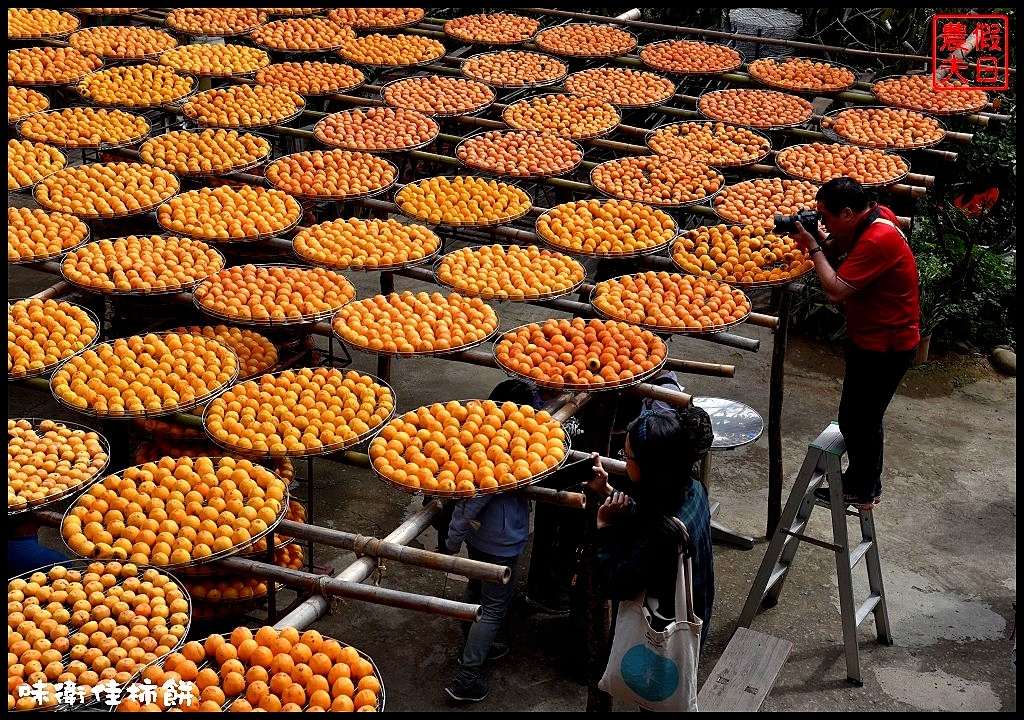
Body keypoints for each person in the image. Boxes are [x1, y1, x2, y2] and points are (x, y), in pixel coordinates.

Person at [790, 176, 920, 510]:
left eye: (827, 217)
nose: (823, 223)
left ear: (848, 213)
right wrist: (818, 238)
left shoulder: (878, 239)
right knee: (856, 416)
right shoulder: (876, 217)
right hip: (874, 337)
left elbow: (835, 291)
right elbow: (841, 250)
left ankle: (863, 488)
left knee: (861, 420)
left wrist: (815, 248)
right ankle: (865, 482)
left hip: (886, 345)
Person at [586, 405, 716, 656]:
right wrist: (608, 492)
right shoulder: (692, 488)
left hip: (662, 636)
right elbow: (655, 516)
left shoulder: (663, 535)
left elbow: (615, 584)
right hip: (695, 613)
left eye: (628, 455)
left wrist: (605, 528)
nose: (623, 460)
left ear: (650, 465)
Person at [442, 380, 534, 704]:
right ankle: (466, 677)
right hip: (500, 541)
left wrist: (458, 537)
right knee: (493, 608)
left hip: (483, 537)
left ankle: (475, 641)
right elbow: (473, 498)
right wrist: (453, 539)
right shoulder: (499, 449)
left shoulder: (496, 438)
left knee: (476, 589)